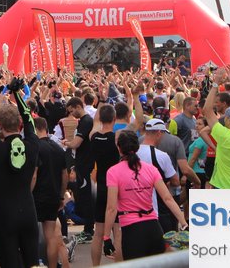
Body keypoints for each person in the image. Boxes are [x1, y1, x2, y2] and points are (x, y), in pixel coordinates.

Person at [0, 76, 39, 268]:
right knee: (32, 264)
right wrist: (16, 94)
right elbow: (29, 118)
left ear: (0, 126)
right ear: (19, 123)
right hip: (28, 211)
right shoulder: (32, 144)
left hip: (4, 215)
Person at [103, 131, 187, 261]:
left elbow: (111, 208)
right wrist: (183, 222)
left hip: (131, 230)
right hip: (153, 227)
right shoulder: (151, 169)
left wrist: (106, 237)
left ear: (119, 148)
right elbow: (168, 198)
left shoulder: (113, 172)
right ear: (137, 147)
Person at [33, 117, 70, 268]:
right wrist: (61, 195)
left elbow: (34, 175)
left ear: (35, 129)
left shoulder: (35, 147)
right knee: (51, 237)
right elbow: (65, 174)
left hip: (36, 196)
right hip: (53, 196)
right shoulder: (58, 148)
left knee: (31, 235)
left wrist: (27, 193)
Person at [89, 105, 122, 265]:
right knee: (117, 232)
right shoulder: (116, 139)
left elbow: (96, 122)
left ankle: (95, 266)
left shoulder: (93, 137)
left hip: (100, 186)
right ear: (114, 119)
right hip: (115, 188)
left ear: (100, 119)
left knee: (98, 233)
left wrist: (101, 104)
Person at [63, 96, 95, 243]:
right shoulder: (83, 121)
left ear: (78, 106)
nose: (71, 114)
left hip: (85, 165)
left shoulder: (86, 121)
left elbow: (76, 143)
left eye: (72, 111)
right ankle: (88, 229)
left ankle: (88, 230)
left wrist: (66, 143)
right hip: (82, 164)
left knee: (86, 198)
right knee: (83, 197)